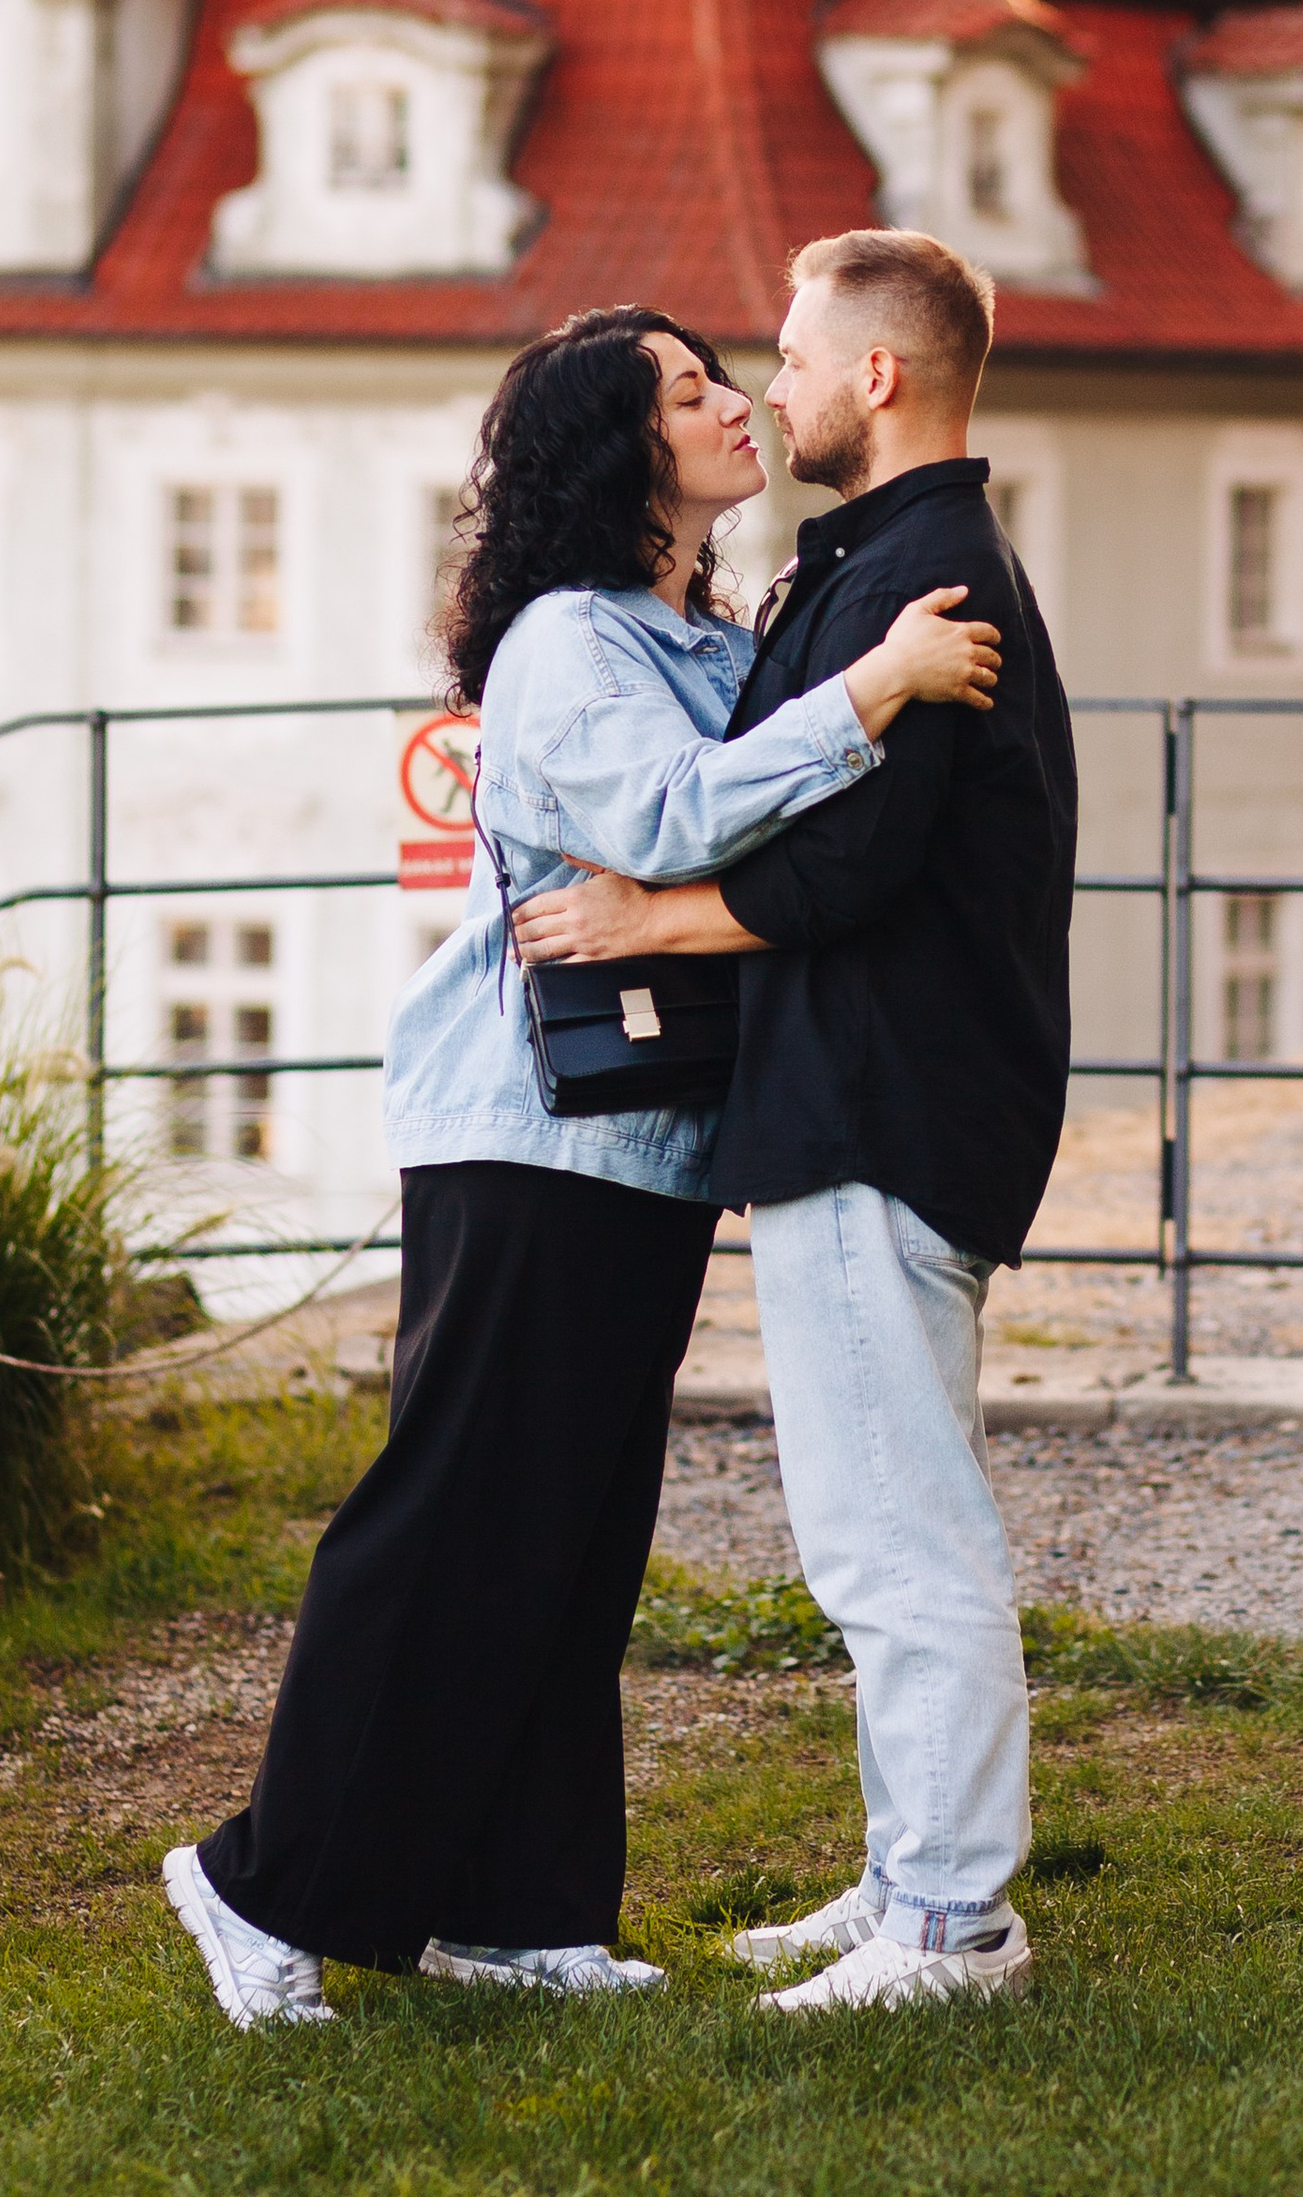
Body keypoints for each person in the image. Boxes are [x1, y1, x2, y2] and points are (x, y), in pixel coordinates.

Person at [162, 299, 1001, 2028]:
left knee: (576, 1531)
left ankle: (517, 1903)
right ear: (621, 456)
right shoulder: (567, 642)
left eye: (723, 377)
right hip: (523, 1138)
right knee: (452, 1516)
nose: (734, 404)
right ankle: (260, 1885)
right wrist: (877, 684)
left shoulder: (688, 625)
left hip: (647, 1153)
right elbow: (671, 820)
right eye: (692, 392)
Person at [517, 229, 1076, 2012]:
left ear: (881, 378)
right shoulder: (889, 564)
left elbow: (843, 861)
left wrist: (650, 919)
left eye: (792, 355)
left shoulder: (927, 575)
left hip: (883, 1104)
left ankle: (952, 1926)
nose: (773, 387)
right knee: (874, 1523)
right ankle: (906, 1874)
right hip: (871, 1095)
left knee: (898, 1534)